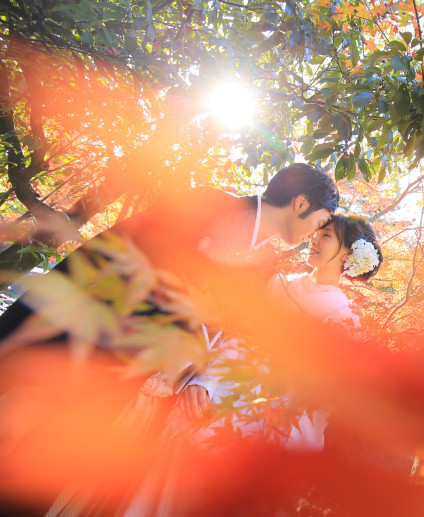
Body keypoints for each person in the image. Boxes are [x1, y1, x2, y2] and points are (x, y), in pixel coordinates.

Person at [71, 215, 383, 517]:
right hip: (217, 395)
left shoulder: (345, 320)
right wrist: (202, 382)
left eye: (326, 235)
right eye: (318, 232)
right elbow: (235, 337)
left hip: (266, 425)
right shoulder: (279, 284)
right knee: (158, 492)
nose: (314, 238)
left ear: (348, 253)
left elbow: (322, 399)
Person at [0, 163, 339, 353]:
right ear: (300, 203)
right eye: (319, 222)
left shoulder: (262, 264)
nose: (314, 233)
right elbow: (114, 250)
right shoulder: (211, 204)